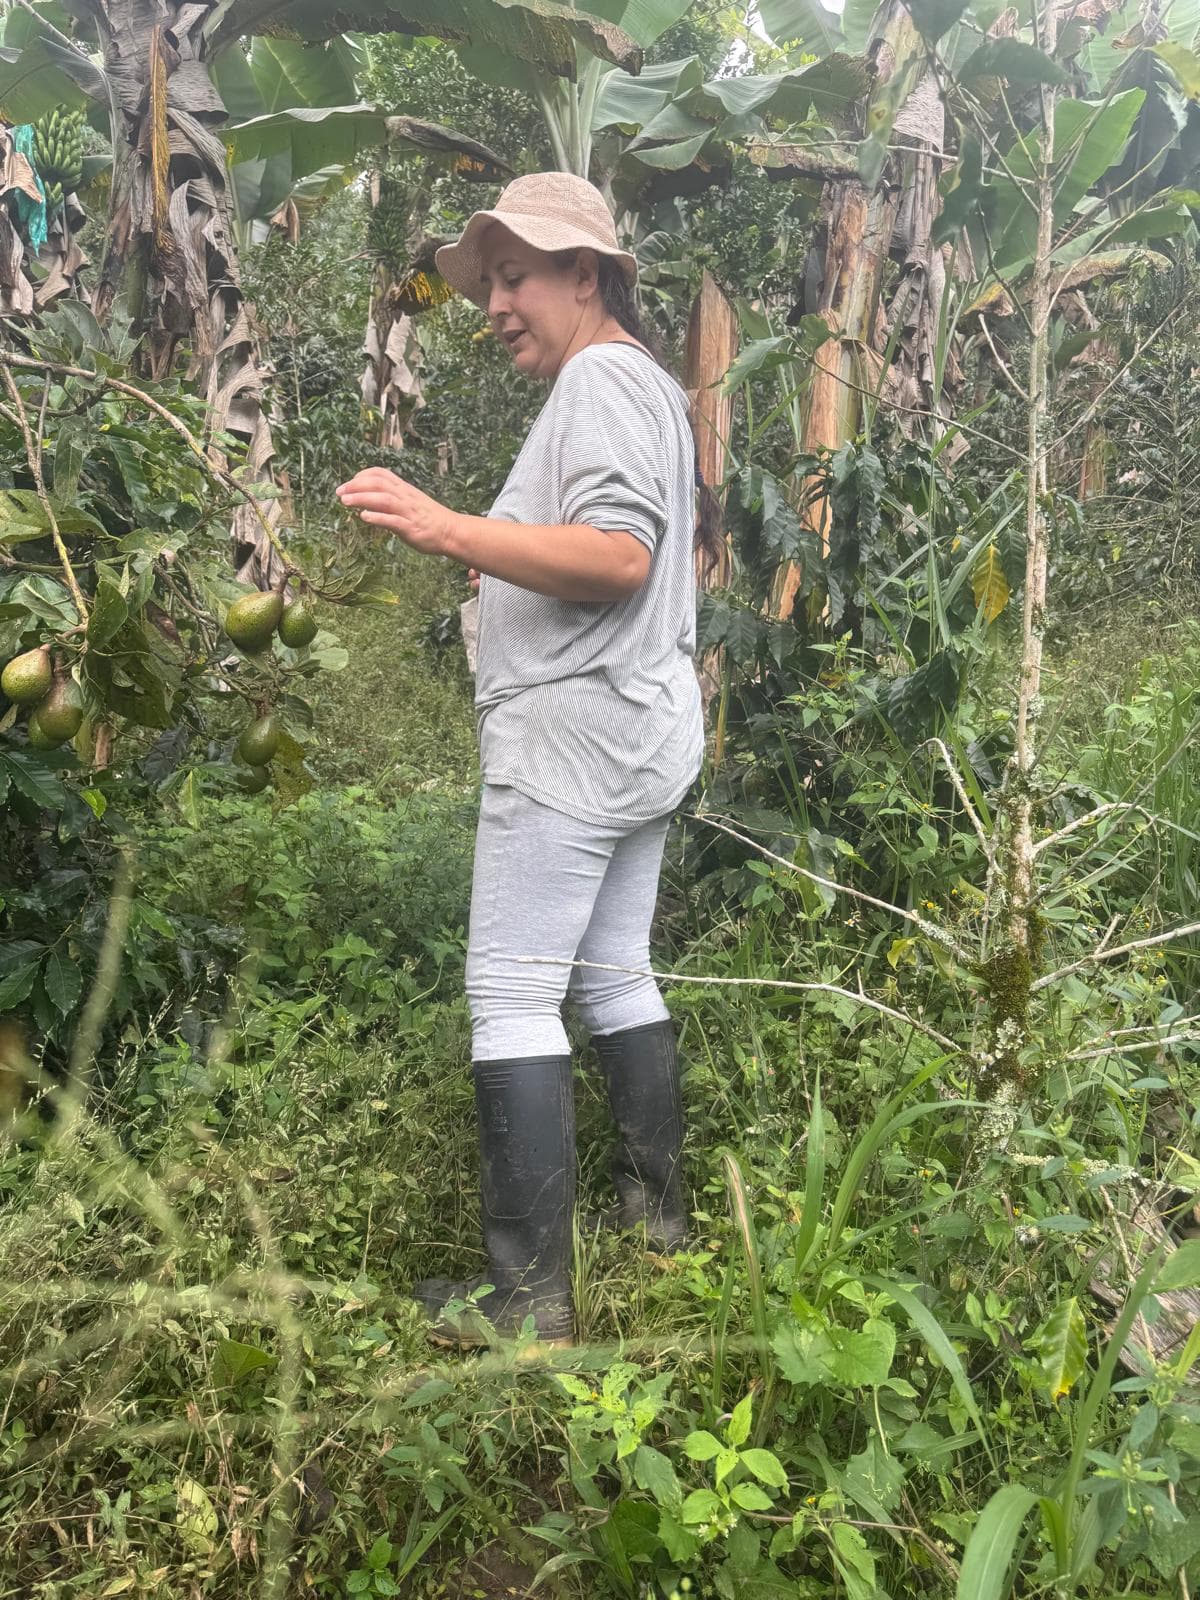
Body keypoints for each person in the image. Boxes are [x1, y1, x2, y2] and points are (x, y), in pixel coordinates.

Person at [336, 171, 718, 1351]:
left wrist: (451, 525)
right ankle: (659, 1221)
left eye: (514, 276)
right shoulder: (641, 384)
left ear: (584, 276)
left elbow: (616, 556)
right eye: (486, 279)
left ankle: (528, 1304)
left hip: (570, 736)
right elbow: (605, 552)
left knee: (510, 992)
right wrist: (497, 564)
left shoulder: (601, 377)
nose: (493, 301)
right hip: (638, 725)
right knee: (613, 971)